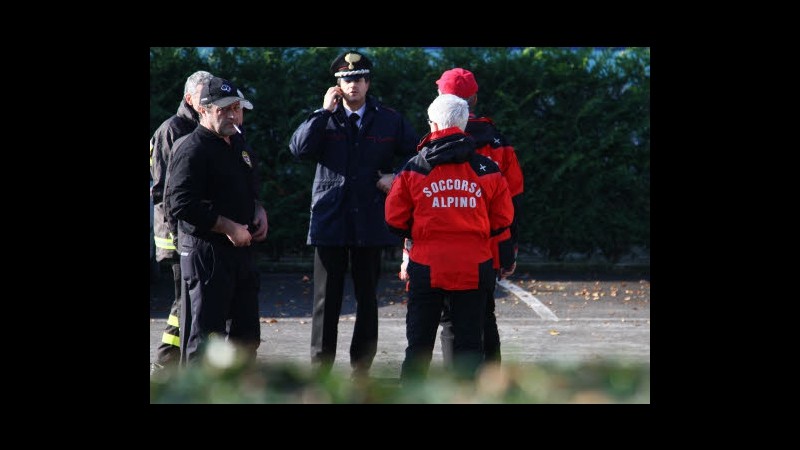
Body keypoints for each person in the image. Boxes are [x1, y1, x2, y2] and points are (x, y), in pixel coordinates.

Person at [289, 50, 418, 377]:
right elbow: (299, 149)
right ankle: (320, 371)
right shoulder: (324, 117)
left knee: (367, 300)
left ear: (368, 82)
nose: (353, 85)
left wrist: (398, 177)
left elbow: (419, 156)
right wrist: (322, 111)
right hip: (331, 220)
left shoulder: (388, 118)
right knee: (325, 302)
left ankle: (362, 371)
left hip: (370, 220)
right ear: (337, 84)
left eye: (358, 79)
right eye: (346, 80)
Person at [385, 94, 516, 381]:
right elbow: (503, 219)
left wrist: (420, 231)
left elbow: (394, 218)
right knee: (470, 347)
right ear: (465, 124)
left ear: (432, 125)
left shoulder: (414, 168)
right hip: (474, 264)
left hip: (427, 264)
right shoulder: (487, 169)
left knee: (418, 346)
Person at [165, 77, 267, 365]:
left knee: (246, 335)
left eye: (238, 108)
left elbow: (249, 184)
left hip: (241, 254)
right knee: (207, 336)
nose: (233, 115)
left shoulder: (238, 143)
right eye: (224, 109)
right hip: (207, 253)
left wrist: (259, 209)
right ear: (204, 110)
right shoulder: (192, 148)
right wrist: (228, 227)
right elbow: (180, 204)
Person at [435, 68, 524, 365]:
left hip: (443, 247)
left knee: (450, 318)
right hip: (487, 244)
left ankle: (455, 385)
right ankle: (491, 382)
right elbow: (513, 197)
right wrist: (510, 246)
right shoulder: (497, 140)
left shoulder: (431, 146)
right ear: (474, 98)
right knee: (485, 314)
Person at [149, 70, 214, 375]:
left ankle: (170, 360)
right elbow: (164, 189)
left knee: (186, 301)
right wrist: (177, 233)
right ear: (190, 99)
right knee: (183, 302)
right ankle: (165, 362)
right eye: (205, 96)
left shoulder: (197, 127)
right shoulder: (172, 130)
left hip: (189, 231)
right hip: (175, 233)